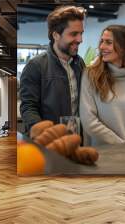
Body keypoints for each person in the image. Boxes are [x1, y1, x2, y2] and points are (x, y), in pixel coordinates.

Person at [20, 6, 86, 134]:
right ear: (56, 35)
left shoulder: (79, 63)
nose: (80, 40)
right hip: (48, 142)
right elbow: (28, 107)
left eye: (81, 33)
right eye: (73, 34)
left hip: (75, 140)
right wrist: (43, 134)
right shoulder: (36, 65)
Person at [80, 25, 125, 146]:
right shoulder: (90, 75)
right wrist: (122, 146)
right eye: (101, 41)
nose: (101, 47)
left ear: (124, 46)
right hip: (102, 156)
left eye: (108, 42)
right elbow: (89, 121)